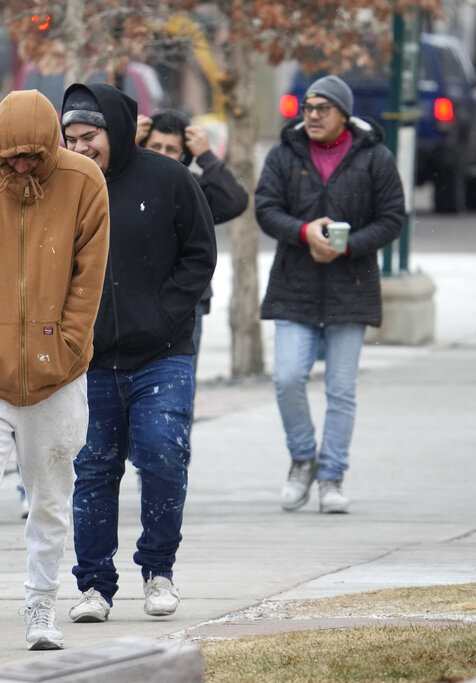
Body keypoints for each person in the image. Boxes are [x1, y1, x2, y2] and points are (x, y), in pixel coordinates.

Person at [0, 89, 110, 654]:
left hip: (58, 372)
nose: (24, 164)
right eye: (13, 156)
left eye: (35, 155)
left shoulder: (84, 182)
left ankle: (41, 603)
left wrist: (70, 344)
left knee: (51, 495)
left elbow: (89, 276)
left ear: (54, 145)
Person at [61, 83, 217, 623]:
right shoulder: (62, 188)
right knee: (94, 469)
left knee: (163, 454)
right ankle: (95, 587)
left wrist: (163, 315)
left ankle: (158, 569)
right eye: (70, 138)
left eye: (90, 137)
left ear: (118, 132)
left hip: (163, 353)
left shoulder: (168, 178)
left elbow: (200, 255)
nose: (80, 148)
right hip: (91, 359)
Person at [254, 75, 404, 514]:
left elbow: (393, 216)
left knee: (341, 389)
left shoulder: (375, 157)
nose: (313, 116)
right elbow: (265, 208)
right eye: (307, 108)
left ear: (344, 113)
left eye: (322, 108)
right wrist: (303, 232)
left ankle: (332, 475)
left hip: (350, 287)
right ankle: (304, 458)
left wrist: (348, 245)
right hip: (293, 285)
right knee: (286, 379)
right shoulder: (285, 154)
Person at [136, 108, 248, 355]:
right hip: (133, 296)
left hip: (186, 301)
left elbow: (235, 202)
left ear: (184, 154)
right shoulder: (127, 181)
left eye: (171, 149)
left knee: (179, 384)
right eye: (155, 146)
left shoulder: (192, 188)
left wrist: (207, 155)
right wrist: (126, 146)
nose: (162, 155)